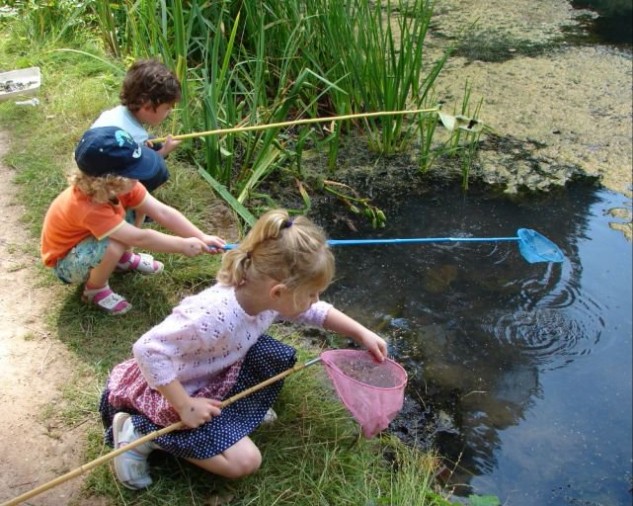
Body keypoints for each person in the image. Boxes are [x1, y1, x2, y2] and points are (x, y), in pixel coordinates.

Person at [98, 208, 388, 490]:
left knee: (270, 353)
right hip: (172, 389)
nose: (315, 300)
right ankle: (139, 433)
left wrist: (359, 332)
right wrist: (185, 406)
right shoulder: (213, 317)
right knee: (244, 462)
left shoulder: (261, 294)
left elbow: (314, 313)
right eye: (311, 294)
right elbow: (147, 350)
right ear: (279, 292)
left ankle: (227, 412)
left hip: (213, 370)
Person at [40, 126, 226, 315]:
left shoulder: (126, 186)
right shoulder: (89, 208)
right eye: (133, 171)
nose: (139, 177)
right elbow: (139, 238)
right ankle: (95, 289)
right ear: (110, 181)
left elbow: (162, 212)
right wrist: (182, 245)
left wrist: (202, 236)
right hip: (66, 262)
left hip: (91, 239)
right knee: (111, 243)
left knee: (135, 212)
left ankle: (122, 259)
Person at [91, 58, 182, 194]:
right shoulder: (136, 135)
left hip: (92, 158)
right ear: (147, 106)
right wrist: (164, 152)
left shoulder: (116, 113)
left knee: (153, 142)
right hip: (104, 182)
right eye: (167, 108)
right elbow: (135, 165)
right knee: (159, 169)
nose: (170, 112)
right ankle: (132, 202)